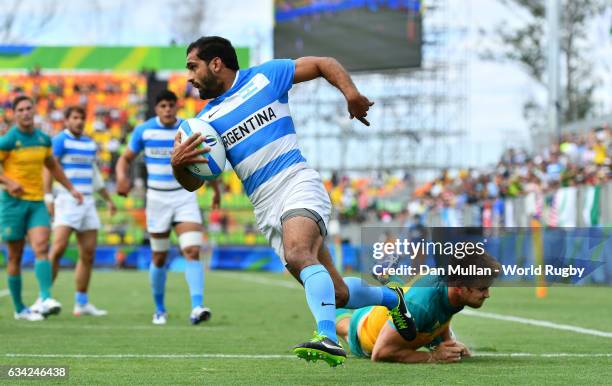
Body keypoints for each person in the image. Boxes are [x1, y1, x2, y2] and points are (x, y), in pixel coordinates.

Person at [171, 36, 416, 366]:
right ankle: (394, 298)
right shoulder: (204, 122)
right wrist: (179, 166)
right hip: (265, 206)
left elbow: (323, 63)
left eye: (192, 66)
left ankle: (326, 336)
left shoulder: (266, 77)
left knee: (299, 253)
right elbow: (192, 184)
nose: (189, 76)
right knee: (337, 292)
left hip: (297, 182)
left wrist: (351, 94)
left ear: (216, 64)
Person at [116, 90, 219, 325]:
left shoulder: (188, 129)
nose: (167, 110)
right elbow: (125, 158)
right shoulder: (144, 131)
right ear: (156, 108)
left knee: (192, 250)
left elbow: (206, 160)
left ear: (176, 106)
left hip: (184, 196)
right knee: (159, 256)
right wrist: (122, 178)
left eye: (171, 105)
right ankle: (160, 309)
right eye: (162, 105)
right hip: (157, 200)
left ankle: (197, 306)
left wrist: (217, 190)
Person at [0, 95, 83, 321]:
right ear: (14, 114)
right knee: (15, 256)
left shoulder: (43, 139)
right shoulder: (8, 140)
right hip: (12, 204)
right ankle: (19, 309)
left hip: (36, 202)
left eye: (29, 108)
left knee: (41, 247)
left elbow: (52, 166)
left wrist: (71, 189)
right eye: (21, 110)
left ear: (34, 111)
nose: (26, 112)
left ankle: (45, 297)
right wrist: (8, 182)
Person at [335, 252, 501, 363]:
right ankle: (327, 301)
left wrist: (447, 343)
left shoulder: (451, 286)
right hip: (367, 328)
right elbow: (380, 353)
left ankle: (385, 274)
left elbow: (441, 312)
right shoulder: (422, 306)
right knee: (346, 325)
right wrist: (433, 356)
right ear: (459, 287)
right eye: (482, 288)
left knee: (409, 298)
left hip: (401, 306)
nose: (487, 294)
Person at [44, 106, 116, 316]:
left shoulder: (89, 143)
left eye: (82, 118)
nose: (79, 121)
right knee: (57, 250)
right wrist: (48, 197)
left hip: (87, 202)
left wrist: (109, 200)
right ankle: (44, 298)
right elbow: (49, 168)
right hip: (66, 200)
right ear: (66, 120)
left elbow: (94, 176)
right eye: (75, 117)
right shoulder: (59, 140)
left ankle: (81, 303)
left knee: (88, 254)